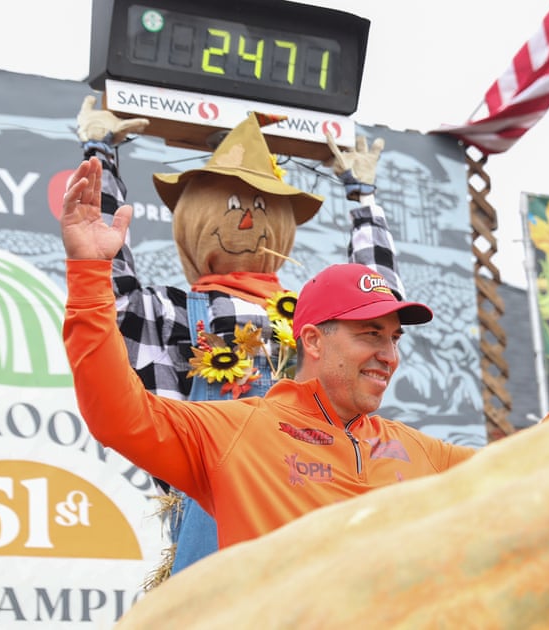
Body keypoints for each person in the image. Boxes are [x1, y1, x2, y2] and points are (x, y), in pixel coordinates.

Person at [60, 156, 549, 550]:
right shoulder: (235, 433)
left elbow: (530, 468)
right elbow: (118, 414)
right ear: (312, 340)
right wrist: (90, 271)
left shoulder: (416, 452)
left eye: (395, 338)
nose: (389, 354)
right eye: (370, 334)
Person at [74, 97, 404, 575]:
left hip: (318, 509)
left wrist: (363, 199)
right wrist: (99, 152)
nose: (247, 222)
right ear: (195, 222)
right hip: (219, 526)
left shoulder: (306, 315)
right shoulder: (170, 313)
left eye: (258, 207)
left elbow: (378, 310)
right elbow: (108, 286)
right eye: (231, 207)